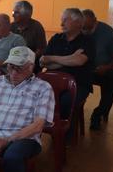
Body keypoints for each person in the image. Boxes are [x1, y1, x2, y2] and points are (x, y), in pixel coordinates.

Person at [40, 8, 94, 139]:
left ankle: (63, 131)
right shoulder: (56, 38)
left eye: (65, 20)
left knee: (65, 100)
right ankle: (36, 128)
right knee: (33, 94)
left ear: (78, 23)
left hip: (77, 84)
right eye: (61, 20)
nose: (61, 23)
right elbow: (43, 61)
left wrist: (54, 59)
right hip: (52, 82)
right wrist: (69, 59)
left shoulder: (87, 41)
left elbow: (79, 61)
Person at [82, 9, 113, 130]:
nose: (85, 31)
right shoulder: (78, 29)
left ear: (95, 21)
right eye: (83, 28)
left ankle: (99, 112)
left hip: (101, 70)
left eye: (88, 28)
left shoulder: (107, 32)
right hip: (82, 70)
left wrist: (106, 67)